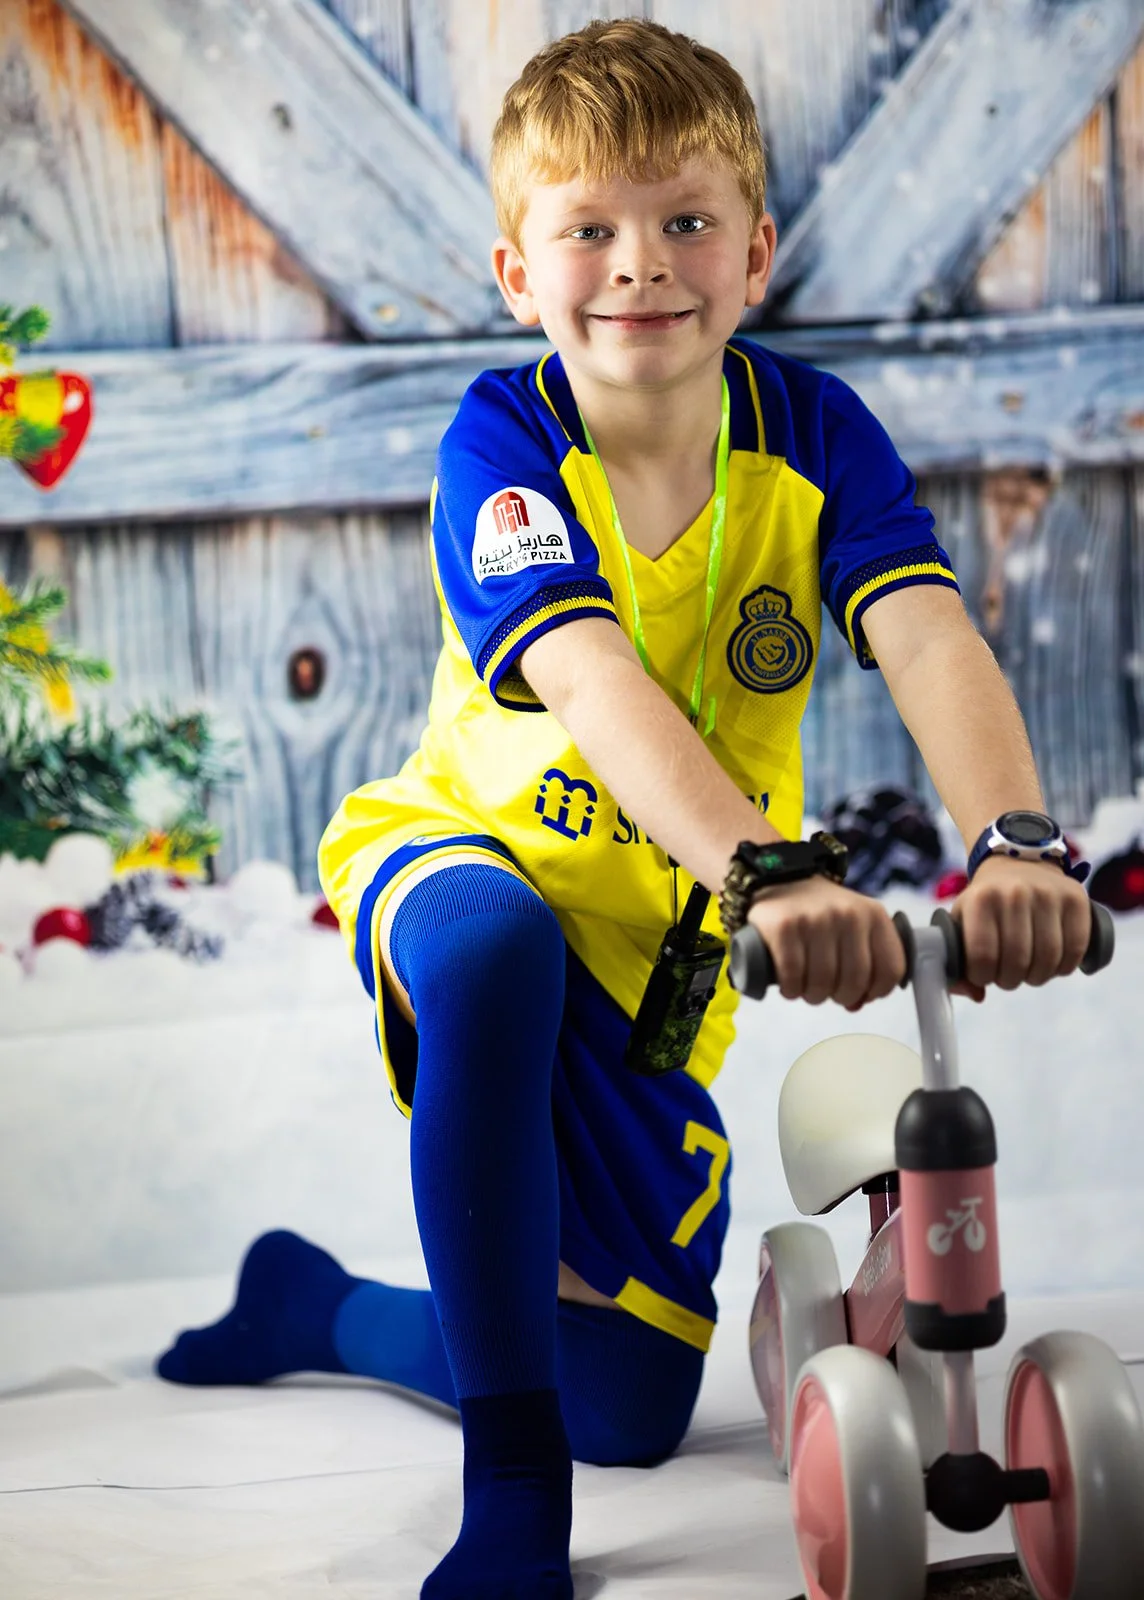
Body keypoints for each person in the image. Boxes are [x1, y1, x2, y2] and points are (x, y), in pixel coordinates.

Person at [156, 19, 1093, 1599]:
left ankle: (317, 1304)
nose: (639, 265)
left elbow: (927, 632)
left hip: (664, 948)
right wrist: (777, 873)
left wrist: (1015, 836)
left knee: (634, 1409)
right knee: (490, 954)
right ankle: (508, 1492)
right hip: (470, 850)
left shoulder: (814, 440)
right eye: (587, 227)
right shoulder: (503, 443)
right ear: (520, 272)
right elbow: (590, 680)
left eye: (684, 222)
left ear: (758, 251)